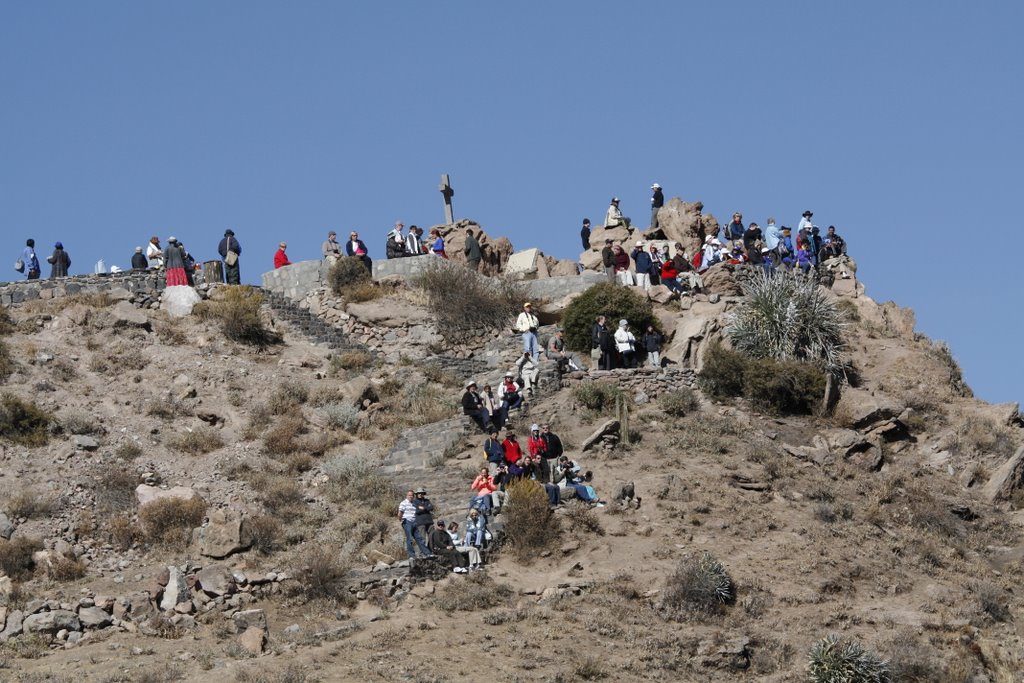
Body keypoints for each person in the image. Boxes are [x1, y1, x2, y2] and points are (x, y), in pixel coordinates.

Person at [398, 490, 431, 560]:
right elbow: (400, 513)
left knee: (419, 538)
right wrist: (401, 520)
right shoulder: (403, 503)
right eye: (409, 495)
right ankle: (411, 555)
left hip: (414, 522)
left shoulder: (413, 504)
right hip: (407, 522)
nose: (411, 496)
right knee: (409, 538)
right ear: (407, 496)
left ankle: (427, 553)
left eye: (412, 495)